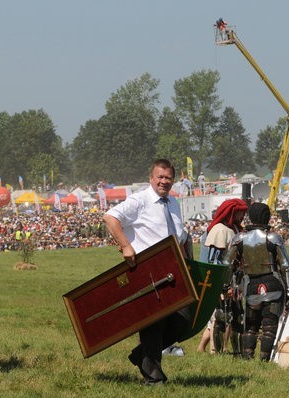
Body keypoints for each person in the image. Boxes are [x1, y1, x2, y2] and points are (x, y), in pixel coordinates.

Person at [103, 158, 193, 385]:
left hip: (173, 269)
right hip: (148, 270)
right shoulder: (140, 200)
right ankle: (154, 378)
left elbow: (178, 236)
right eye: (160, 177)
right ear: (151, 179)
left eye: (168, 178)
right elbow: (111, 217)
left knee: (184, 320)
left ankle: (140, 355)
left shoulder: (172, 202)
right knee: (154, 323)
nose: (164, 181)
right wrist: (125, 245)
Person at [226, 203, 289, 361]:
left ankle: (248, 357)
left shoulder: (239, 238)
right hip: (273, 284)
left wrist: (227, 285)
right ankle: (264, 360)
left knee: (250, 325)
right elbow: (286, 265)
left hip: (252, 286)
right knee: (269, 326)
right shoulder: (273, 238)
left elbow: (228, 265)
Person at [196, 198, 248, 354]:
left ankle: (235, 351)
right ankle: (215, 351)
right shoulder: (219, 230)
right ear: (231, 212)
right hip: (222, 280)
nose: (242, 215)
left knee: (237, 318)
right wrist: (220, 285)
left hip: (236, 280)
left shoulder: (235, 229)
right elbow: (213, 261)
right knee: (220, 316)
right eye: (240, 212)